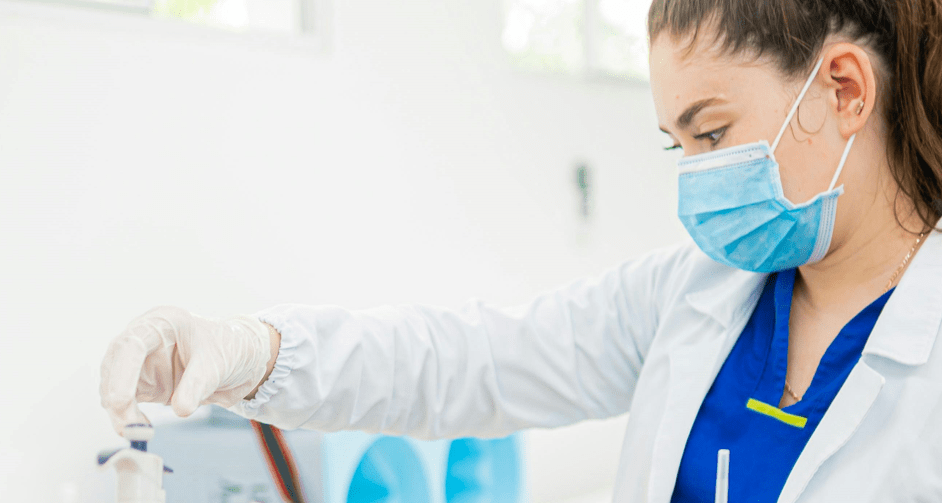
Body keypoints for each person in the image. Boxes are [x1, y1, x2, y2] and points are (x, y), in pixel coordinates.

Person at [100, 0, 942, 500]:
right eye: (676, 145)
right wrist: (253, 353)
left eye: (713, 133)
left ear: (844, 89)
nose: (697, 176)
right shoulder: (697, 298)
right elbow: (471, 360)